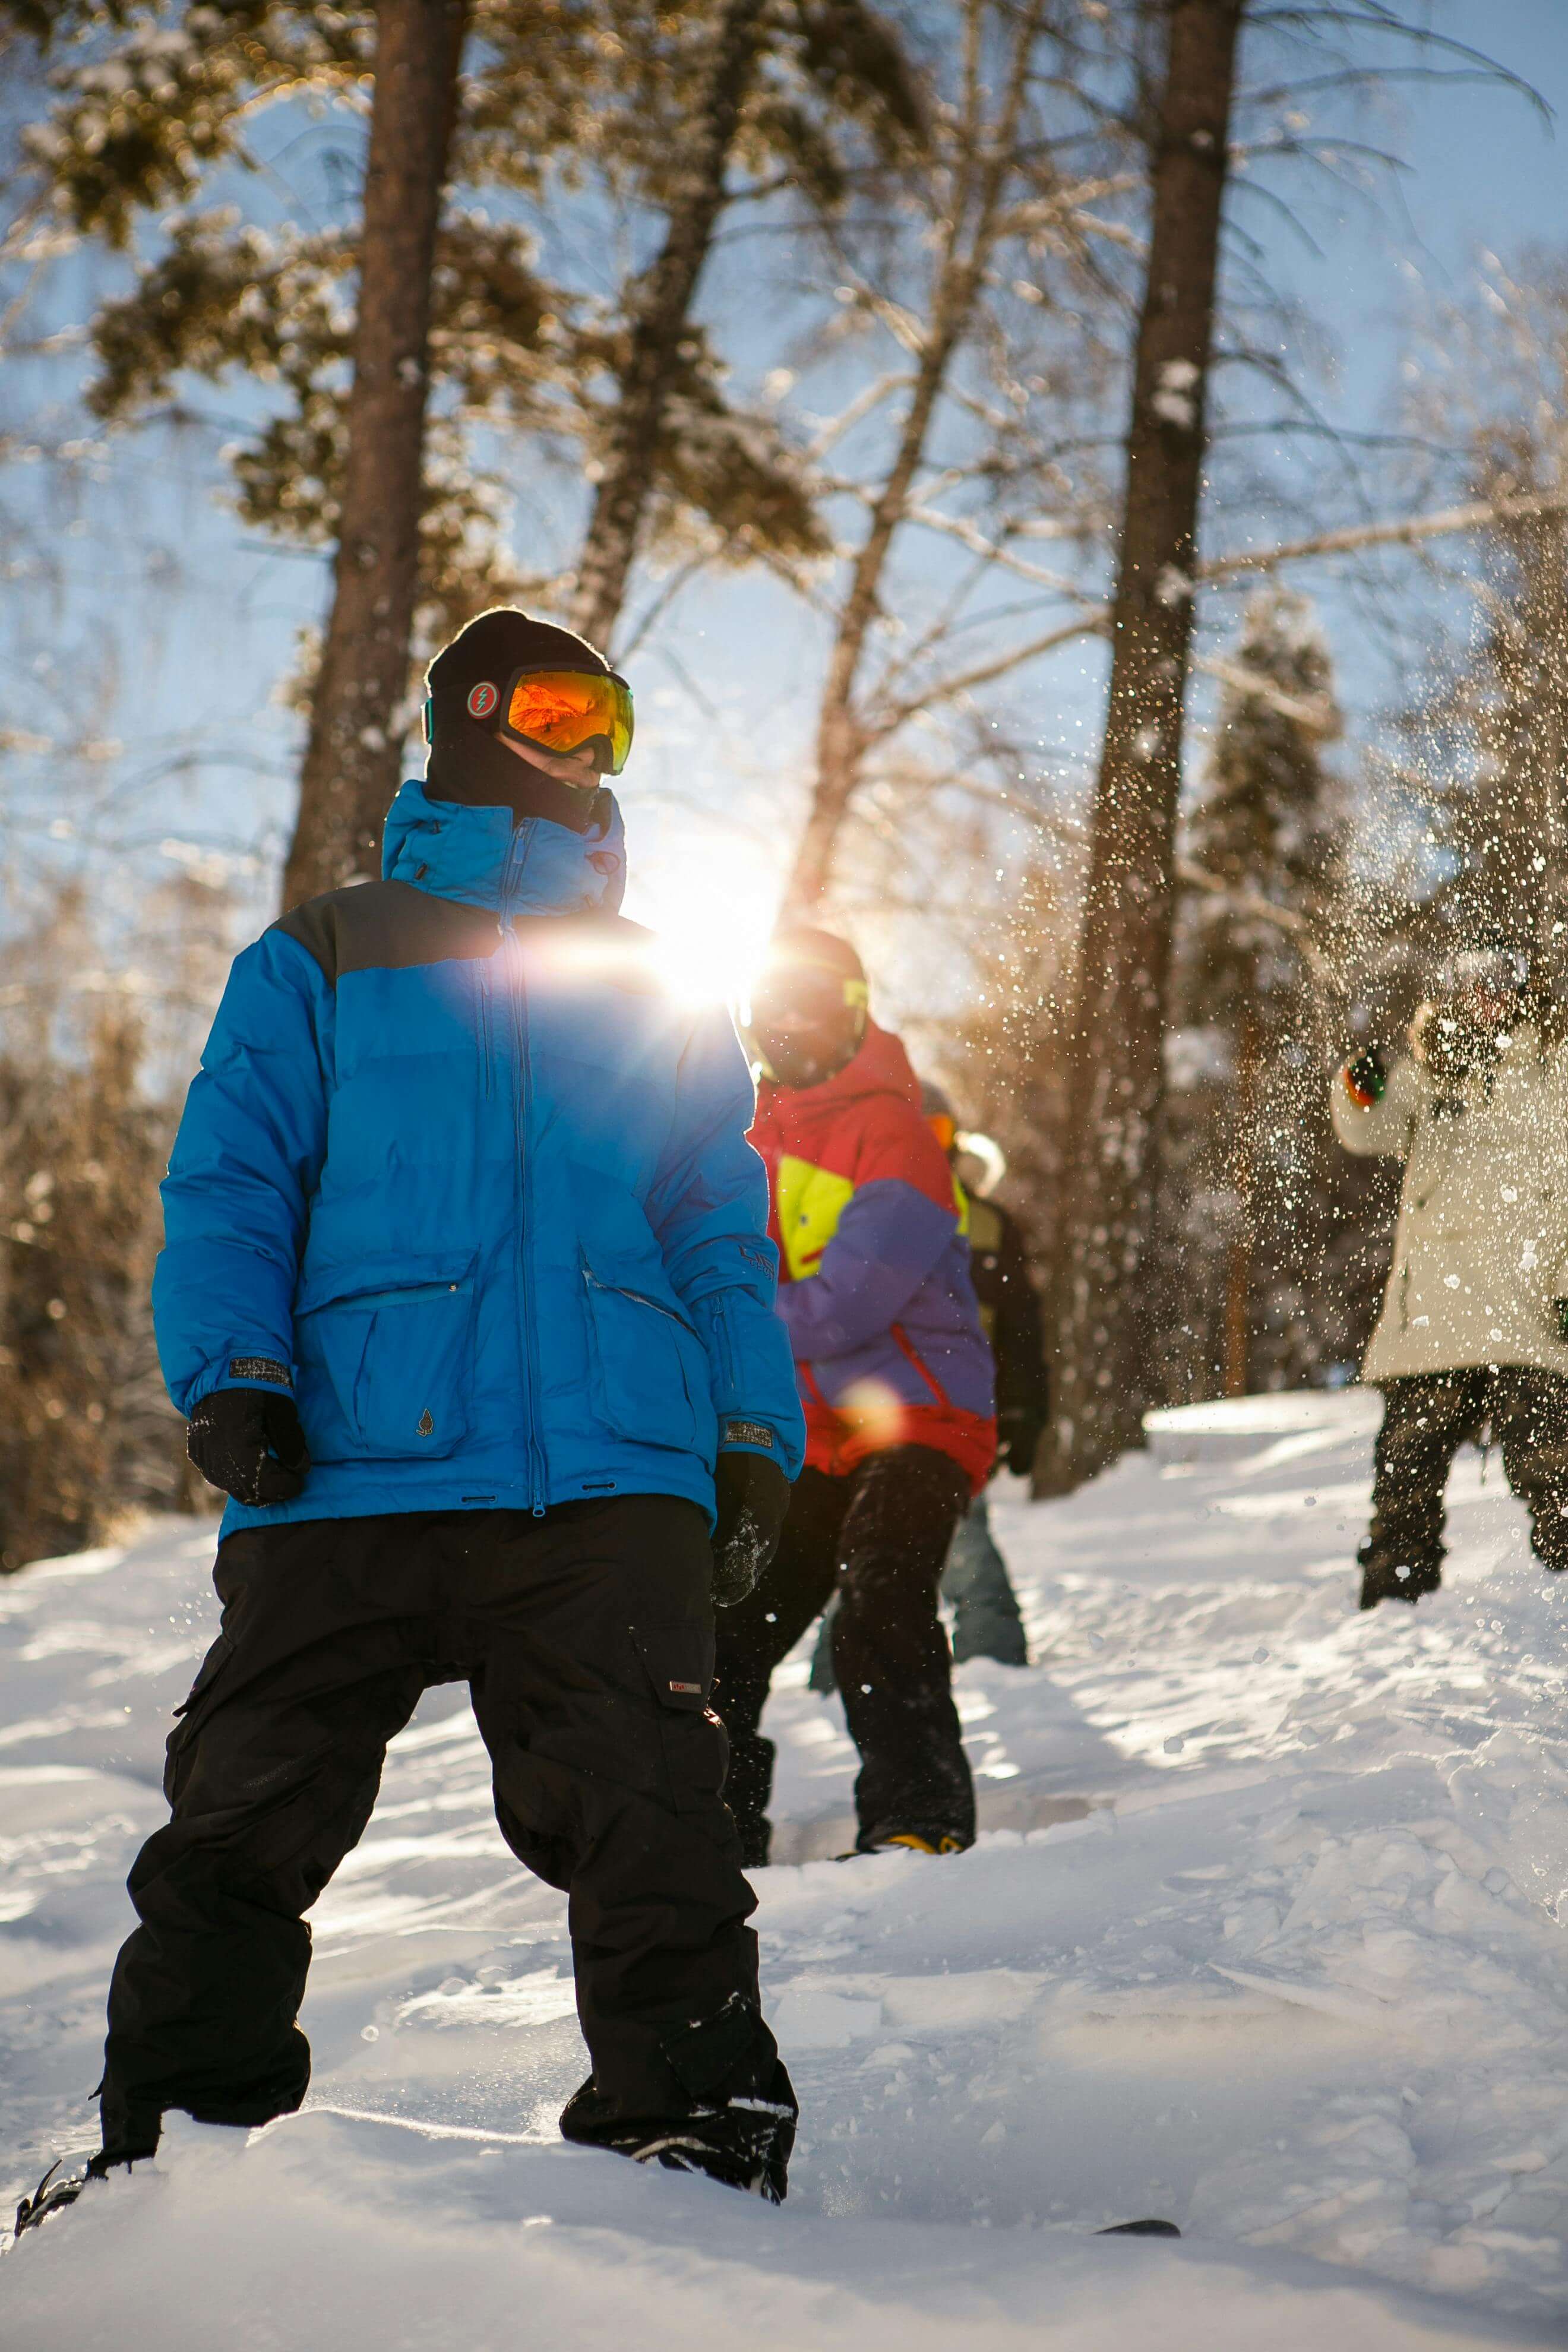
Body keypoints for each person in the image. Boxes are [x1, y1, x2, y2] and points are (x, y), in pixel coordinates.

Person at [16, 608, 807, 2236]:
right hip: (348, 1467)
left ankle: (698, 2141)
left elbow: (716, 1217)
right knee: (247, 1806)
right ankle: (171, 2162)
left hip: (606, 1465)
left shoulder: (658, 978)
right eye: (555, 702)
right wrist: (234, 1373)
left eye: (614, 717)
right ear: (464, 715)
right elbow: (233, 1180)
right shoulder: (324, 952)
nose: (586, 742)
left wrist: (751, 1433)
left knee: (652, 1805)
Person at [713, 929, 996, 1867]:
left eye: (812, 1004)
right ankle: (712, 1827)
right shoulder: (742, 1136)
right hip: (814, 1433)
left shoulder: (896, 1133)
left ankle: (920, 1818)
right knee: (729, 1616)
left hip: (919, 1412)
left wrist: (717, 1319)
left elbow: (848, 1304)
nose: (790, 1026)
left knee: (881, 1591)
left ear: (852, 1009)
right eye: (772, 1005)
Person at [1333, 949, 1568, 1610]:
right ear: (1457, 988)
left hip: (1531, 1314)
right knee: (1405, 1484)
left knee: (1555, 1473)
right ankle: (1390, 1625)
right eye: (1475, 978)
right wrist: (1359, 1083)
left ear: (1526, 987)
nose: (1489, 991)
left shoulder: (1556, 1068)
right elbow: (1367, 1128)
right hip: (1433, 1316)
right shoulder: (1429, 1069)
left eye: (1504, 976)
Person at [808, 1086, 1042, 1684]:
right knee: (861, 1542)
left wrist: (1023, 1411)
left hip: (956, 1409)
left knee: (964, 1541)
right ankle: (835, 1675)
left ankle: (996, 1656)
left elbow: (1020, 1326)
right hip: (863, 1408)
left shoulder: (986, 1223)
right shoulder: (859, 1215)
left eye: (935, 1133)